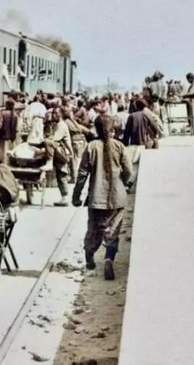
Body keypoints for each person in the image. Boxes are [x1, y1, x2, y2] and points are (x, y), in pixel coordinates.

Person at [72, 115, 132, 280]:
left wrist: (76, 196)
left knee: (93, 231)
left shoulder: (91, 147)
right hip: (117, 198)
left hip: (96, 199)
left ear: (95, 129)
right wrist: (125, 183)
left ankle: (90, 262)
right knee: (112, 232)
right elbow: (129, 172)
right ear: (113, 129)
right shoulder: (119, 146)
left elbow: (82, 175)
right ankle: (108, 259)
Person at [46, 107, 73, 206]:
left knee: (62, 173)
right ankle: (64, 196)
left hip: (63, 153)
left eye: (56, 113)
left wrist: (46, 139)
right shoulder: (56, 125)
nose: (53, 115)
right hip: (59, 152)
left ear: (61, 114)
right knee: (59, 173)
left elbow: (55, 139)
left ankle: (65, 197)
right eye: (53, 113)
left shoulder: (61, 125)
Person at [0, 99, 18, 163]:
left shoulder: (3, 113)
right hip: (12, 137)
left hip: (3, 136)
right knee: (9, 152)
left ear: (7, 105)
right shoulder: (15, 115)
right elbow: (16, 128)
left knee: (3, 153)